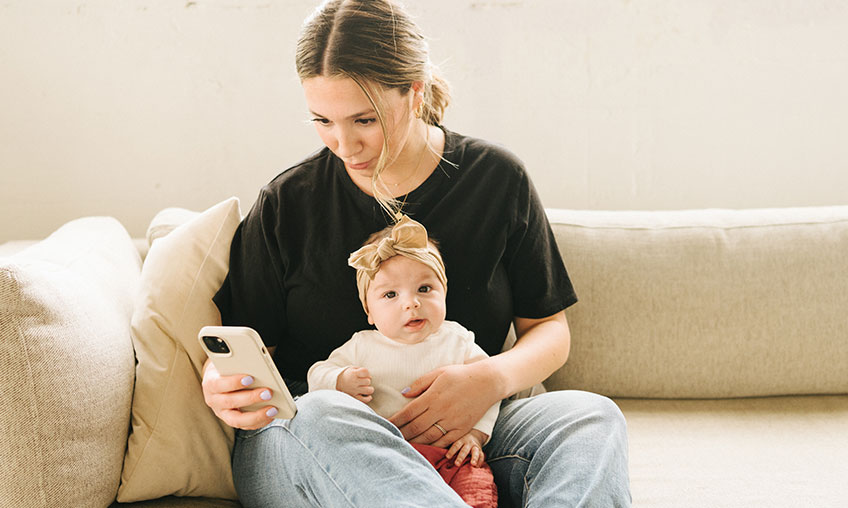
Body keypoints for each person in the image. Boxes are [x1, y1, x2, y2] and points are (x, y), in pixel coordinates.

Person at [203, 0, 632, 506]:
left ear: (414, 91)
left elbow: (549, 330)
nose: (344, 144)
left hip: (466, 436)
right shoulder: (287, 203)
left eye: (364, 119)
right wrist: (220, 385)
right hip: (319, 443)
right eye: (322, 120)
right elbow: (247, 351)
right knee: (322, 412)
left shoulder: (495, 180)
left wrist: (488, 380)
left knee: (590, 417)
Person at [308, 216, 499, 507]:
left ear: (444, 292)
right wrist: (341, 380)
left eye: (424, 289)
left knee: (477, 488)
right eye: (390, 294)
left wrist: (475, 435)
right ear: (369, 312)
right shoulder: (362, 346)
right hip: (385, 459)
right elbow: (316, 375)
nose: (410, 303)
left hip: (451, 458)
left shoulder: (457, 339)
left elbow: (489, 389)